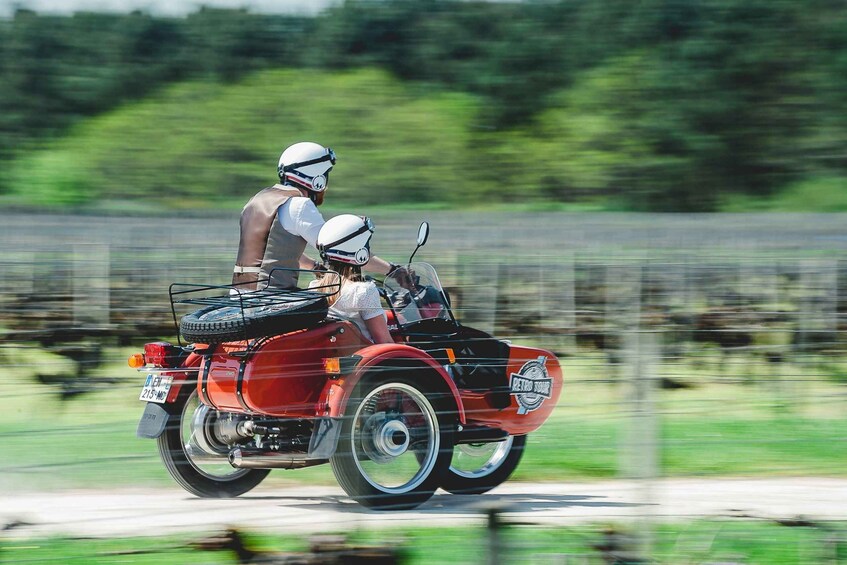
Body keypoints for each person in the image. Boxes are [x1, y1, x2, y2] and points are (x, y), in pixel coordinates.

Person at [232, 142, 402, 291]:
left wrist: (315, 267)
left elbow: (275, 251)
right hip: (271, 299)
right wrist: (393, 271)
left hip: (240, 296)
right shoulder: (299, 205)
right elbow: (346, 250)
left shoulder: (256, 201)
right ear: (317, 177)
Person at [310, 214, 393, 344]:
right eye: (366, 246)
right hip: (368, 358)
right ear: (359, 251)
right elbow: (384, 341)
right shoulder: (363, 292)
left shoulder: (315, 287)